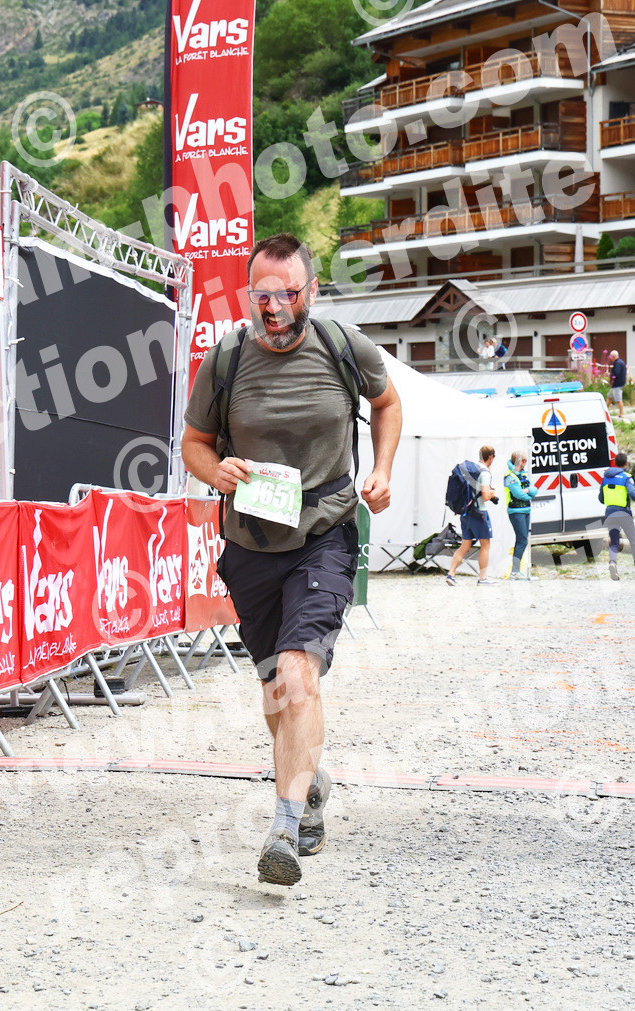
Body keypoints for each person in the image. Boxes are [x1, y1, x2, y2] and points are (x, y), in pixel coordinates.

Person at [181, 233, 401, 888]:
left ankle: (283, 826)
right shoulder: (226, 359)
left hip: (325, 533)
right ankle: (309, 783)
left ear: (311, 291)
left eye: (286, 293)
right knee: (277, 690)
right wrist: (215, 470)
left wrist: (382, 470)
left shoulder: (343, 347)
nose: (273, 306)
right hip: (251, 543)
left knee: (299, 674)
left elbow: (387, 403)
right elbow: (194, 443)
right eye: (261, 294)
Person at [446, 445, 499, 587]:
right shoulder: (485, 473)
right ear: (491, 457)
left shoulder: (471, 471)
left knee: (465, 545)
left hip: (466, 512)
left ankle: (451, 574)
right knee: (485, 545)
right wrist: (492, 493)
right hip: (479, 513)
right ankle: (483, 578)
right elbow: (485, 496)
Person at [598, 451, 635, 580]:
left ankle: (612, 563)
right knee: (633, 541)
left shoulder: (605, 478)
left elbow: (601, 499)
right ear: (626, 463)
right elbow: (632, 493)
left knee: (614, 542)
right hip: (624, 513)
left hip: (610, 512)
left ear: (614, 463)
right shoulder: (626, 477)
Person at [503, 450, 534, 579]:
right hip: (516, 511)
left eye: (526, 460)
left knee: (523, 540)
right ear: (518, 461)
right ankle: (515, 572)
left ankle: (516, 571)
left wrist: (528, 491)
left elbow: (534, 489)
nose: (525, 462)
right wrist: (529, 494)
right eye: (523, 460)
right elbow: (518, 494)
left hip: (526, 510)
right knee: (522, 540)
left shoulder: (523, 474)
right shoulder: (510, 476)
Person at [607, 350, 626, 420]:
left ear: (613, 356)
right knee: (609, 396)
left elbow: (616, 374)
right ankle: (605, 410)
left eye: (610, 356)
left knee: (618, 399)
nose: (610, 358)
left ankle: (621, 413)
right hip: (617, 384)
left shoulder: (617, 363)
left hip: (617, 384)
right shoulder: (621, 362)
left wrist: (611, 378)